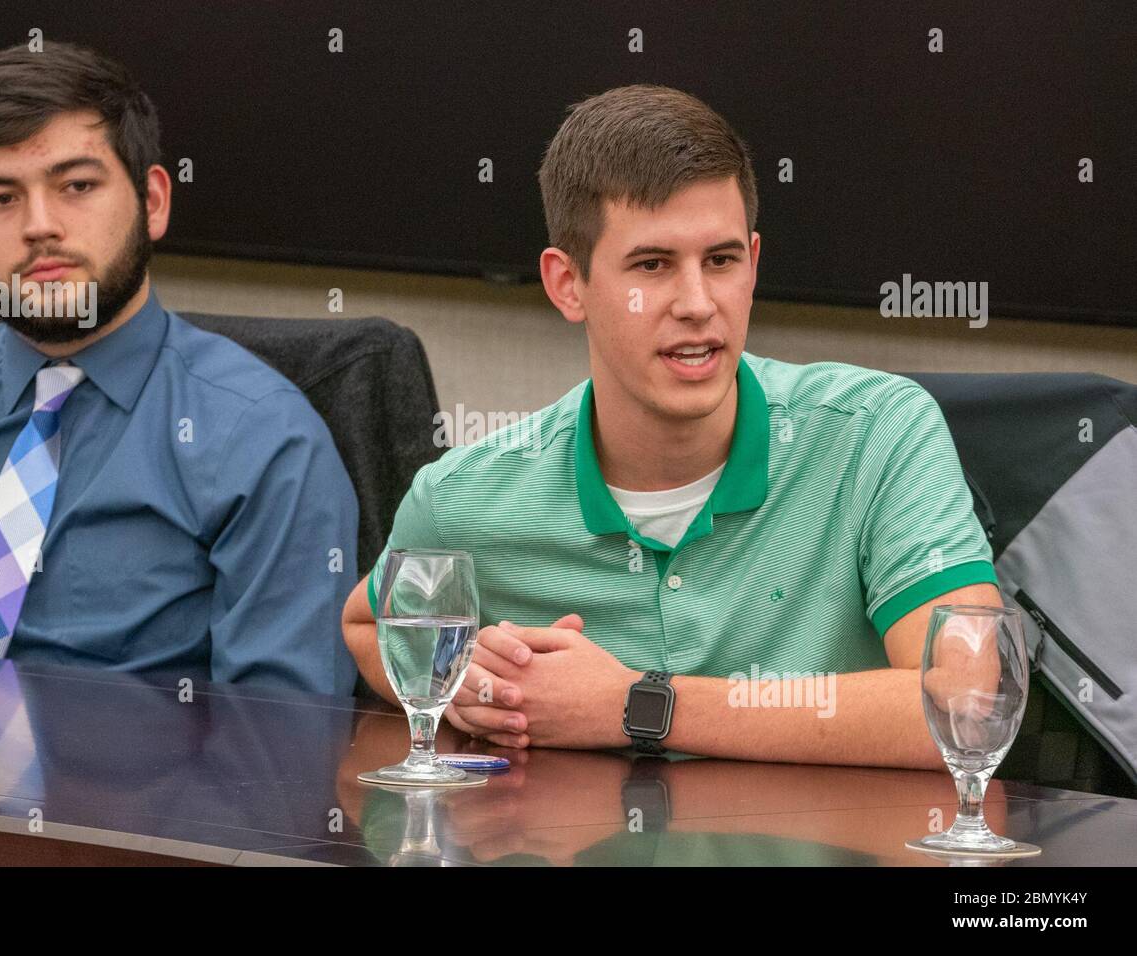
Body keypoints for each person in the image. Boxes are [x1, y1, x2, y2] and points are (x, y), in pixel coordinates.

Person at [343, 85, 1000, 767]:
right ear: (568, 284)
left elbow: (966, 707)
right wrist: (458, 685)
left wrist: (635, 705)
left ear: (753, 263)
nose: (698, 304)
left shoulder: (879, 433)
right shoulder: (462, 498)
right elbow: (365, 624)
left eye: (721, 261)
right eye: (652, 266)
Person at [0, 42, 358, 695]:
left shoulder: (266, 444)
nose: (40, 226)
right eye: (0, 199)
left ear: (152, 203)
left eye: (77, 186)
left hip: (120, 795)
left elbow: (279, 748)